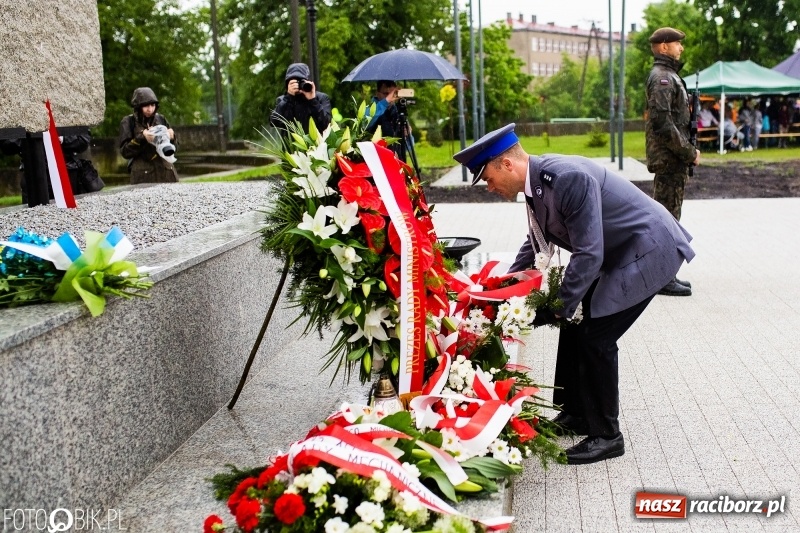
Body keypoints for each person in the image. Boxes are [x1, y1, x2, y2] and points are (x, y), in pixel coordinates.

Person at [453, 123, 695, 465]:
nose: (488, 187)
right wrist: (500, 289)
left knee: (596, 336)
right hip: (620, 253)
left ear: (506, 164)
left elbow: (589, 254)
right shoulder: (538, 183)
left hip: (649, 249)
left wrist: (560, 307)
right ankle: (575, 415)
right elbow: (536, 241)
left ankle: (607, 435)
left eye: (487, 177)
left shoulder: (564, 178)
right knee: (575, 326)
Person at [644, 27, 698, 297]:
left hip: (671, 159)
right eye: (677, 44)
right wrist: (689, 152)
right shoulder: (663, 78)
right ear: (664, 47)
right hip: (669, 159)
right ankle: (663, 277)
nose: (681, 48)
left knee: (669, 217)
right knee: (666, 219)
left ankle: (666, 274)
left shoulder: (669, 76)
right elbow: (663, 124)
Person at [118, 87, 177, 184]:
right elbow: (125, 152)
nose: (150, 109)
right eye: (146, 106)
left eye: (152, 105)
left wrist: (172, 137)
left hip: (167, 173)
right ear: (138, 107)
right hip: (143, 175)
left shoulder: (161, 119)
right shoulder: (128, 122)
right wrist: (142, 138)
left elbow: (175, 149)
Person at [270, 63, 332, 138]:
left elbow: (326, 125)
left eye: (301, 82)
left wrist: (312, 100)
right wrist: (288, 98)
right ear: (288, 84)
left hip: (317, 147)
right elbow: (274, 122)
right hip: (291, 148)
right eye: (294, 82)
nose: (298, 86)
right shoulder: (283, 100)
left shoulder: (321, 98)